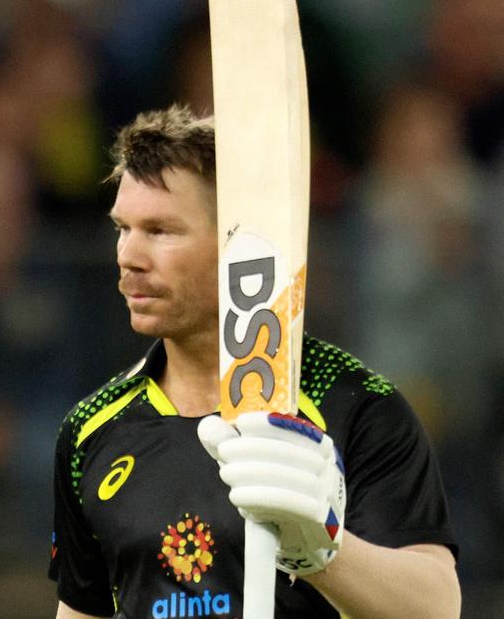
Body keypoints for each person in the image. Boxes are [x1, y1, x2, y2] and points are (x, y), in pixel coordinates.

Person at [48, 105, 461, 618]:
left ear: (239, 247)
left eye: (160, 231)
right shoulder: (92, 428)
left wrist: (321, 552)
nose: (128, 255)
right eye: (121, 228)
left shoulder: (358, 405)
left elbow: (437, 606)